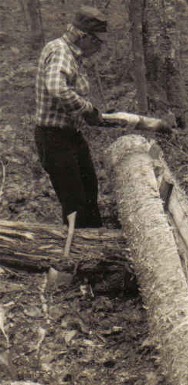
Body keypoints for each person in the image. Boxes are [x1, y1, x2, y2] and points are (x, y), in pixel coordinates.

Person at [34, 5, 107, 228]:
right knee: (74, 200)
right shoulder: (60, 52)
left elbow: (68, 94)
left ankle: (96, 245)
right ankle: (77, 254)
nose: (99, 47)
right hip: (54, 137)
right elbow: (57, 88)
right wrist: (86, 108)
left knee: (89, 190)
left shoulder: (74, 56)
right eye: (97, 41)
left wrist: (94, 115)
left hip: (69, 135)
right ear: (83, 36)